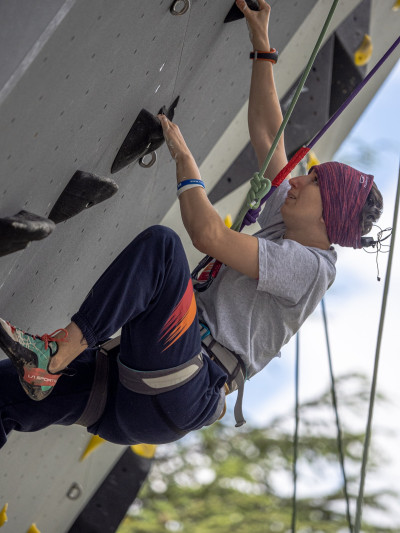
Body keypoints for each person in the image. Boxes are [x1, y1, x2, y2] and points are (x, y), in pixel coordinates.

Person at [0, 0, 383, 448]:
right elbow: (267, 133)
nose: (299, 179)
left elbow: (209, 235)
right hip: (140, 384)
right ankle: (55, 359)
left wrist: (185, 163)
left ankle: (57, 351)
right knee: (3, 395)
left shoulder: (312, 268)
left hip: (185, 384)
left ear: (328, 214)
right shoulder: (290, 224)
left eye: (313, 180)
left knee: (163, 250)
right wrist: (262, 46)